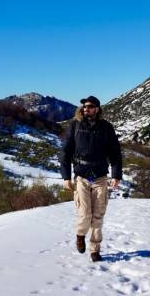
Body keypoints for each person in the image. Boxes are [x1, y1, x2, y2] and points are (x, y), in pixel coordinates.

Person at [60, 95, 122, 262]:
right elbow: (65, 153)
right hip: (81, 177)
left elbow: (115, 153)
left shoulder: (106, 127)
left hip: (100, 177)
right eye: (84, 106)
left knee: (98, 215)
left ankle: (95, 249)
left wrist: (116, 175)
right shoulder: (75, 126)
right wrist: (66, 176)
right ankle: (80, 234)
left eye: (89, 106)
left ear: (97, 109)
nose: (85, 108)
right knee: (85, 213)